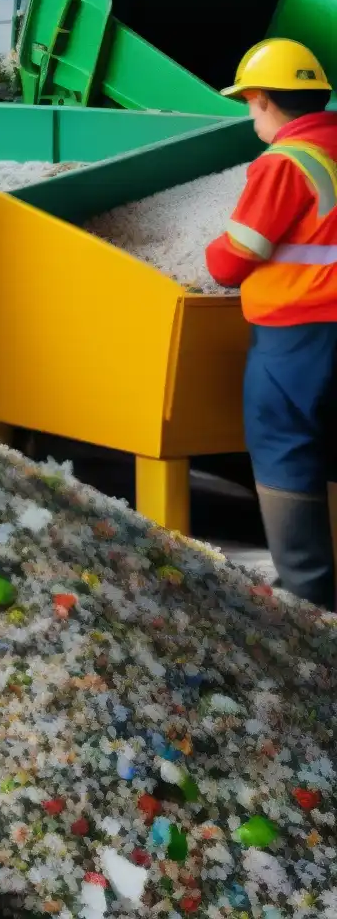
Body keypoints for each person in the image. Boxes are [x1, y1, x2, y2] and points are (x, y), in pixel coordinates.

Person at [205, 37, 337, 609]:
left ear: (262, 100)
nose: (249, 116)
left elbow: (234, 259)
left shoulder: (285, 163)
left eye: (248, 104)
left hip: (297, 333)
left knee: (286, 447)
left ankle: (310, 603)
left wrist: (211, 254)